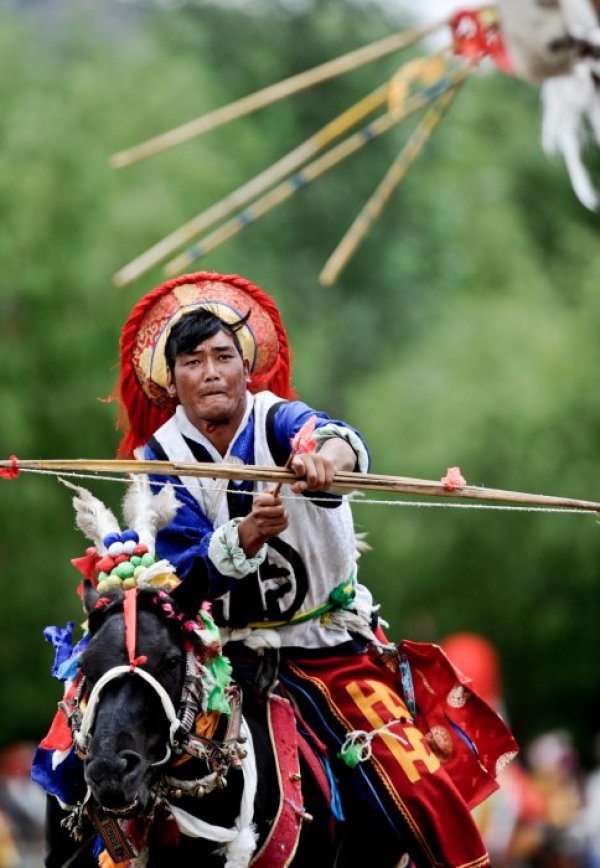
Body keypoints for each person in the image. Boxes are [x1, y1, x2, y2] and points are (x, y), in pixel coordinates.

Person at [116, 270, 515, 868]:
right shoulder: (158, 461)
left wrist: (327, 460)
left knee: (420, 789)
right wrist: (246, 535)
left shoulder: (278, 418)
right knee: (111, 759)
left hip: (328, 648)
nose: (211, 372)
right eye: (193, 361)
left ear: (245, 368)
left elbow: (335, 435)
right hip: (221, 660)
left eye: (224, 356)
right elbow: (180, 577)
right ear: (172, 379)